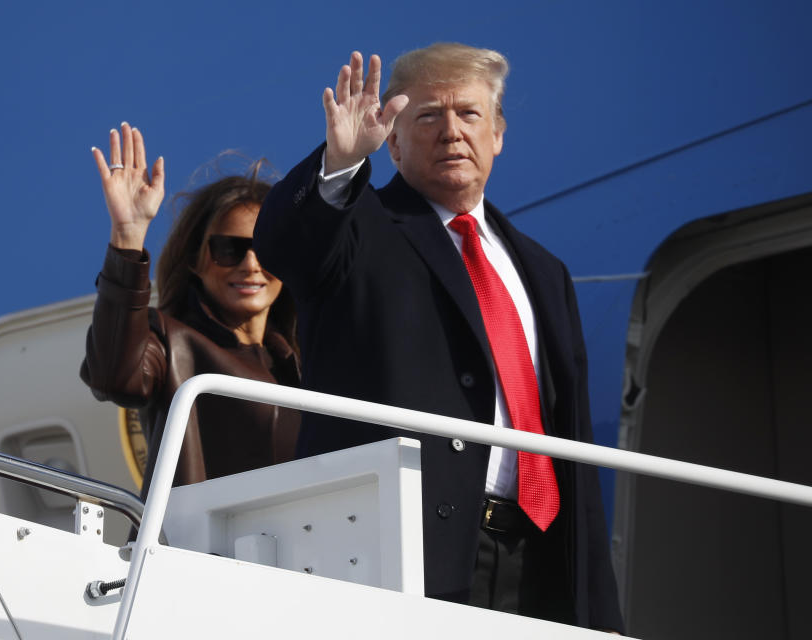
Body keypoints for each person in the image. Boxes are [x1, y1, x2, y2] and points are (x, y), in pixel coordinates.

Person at [253, 44, 623, 632]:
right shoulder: (358, 228)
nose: (451, 131)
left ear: (497, 134)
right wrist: (339, 164)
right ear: (393, 141)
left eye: (469, 115)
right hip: (408, 551)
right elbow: (284, 244)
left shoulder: (541, 269)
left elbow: (564, 426)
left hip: (539, 555)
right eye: (428, 116)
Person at [81, 122, 300, 498]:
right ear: (196, 261)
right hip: (197, 552)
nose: (250, 264)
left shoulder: (302, 361)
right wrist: (128, 236)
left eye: (267, 249)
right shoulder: (169, 341)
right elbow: (115, 376)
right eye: (230, 249)